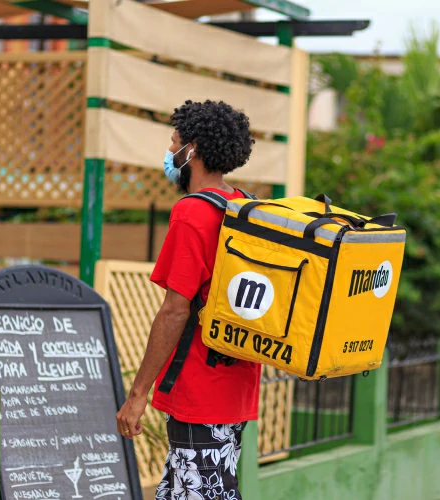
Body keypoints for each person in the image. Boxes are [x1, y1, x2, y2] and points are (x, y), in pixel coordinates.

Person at [116, 100, 261, 500]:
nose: (170, 152)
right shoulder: (245, 206)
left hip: (199, 389)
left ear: (191, 151)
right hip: (237, 386)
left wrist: (137, 395)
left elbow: (174, 311)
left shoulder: (192, 214)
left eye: (173, 142)